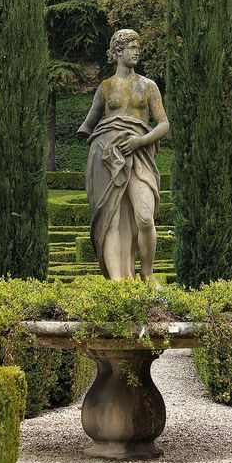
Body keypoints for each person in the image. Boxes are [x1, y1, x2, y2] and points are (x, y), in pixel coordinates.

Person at [77, 29, 170, 283]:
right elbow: (88, 126)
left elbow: (163, 125)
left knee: (144, 217)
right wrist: (104, 142)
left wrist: (140, 140)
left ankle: (147, 273)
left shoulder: (148, 86)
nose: (137, 51)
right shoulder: (105, 87)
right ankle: (117, 283)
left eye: (137, 47)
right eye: (131, 47)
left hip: (139, 154)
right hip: (108, 157)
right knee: (111, 220)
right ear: (117, 52)